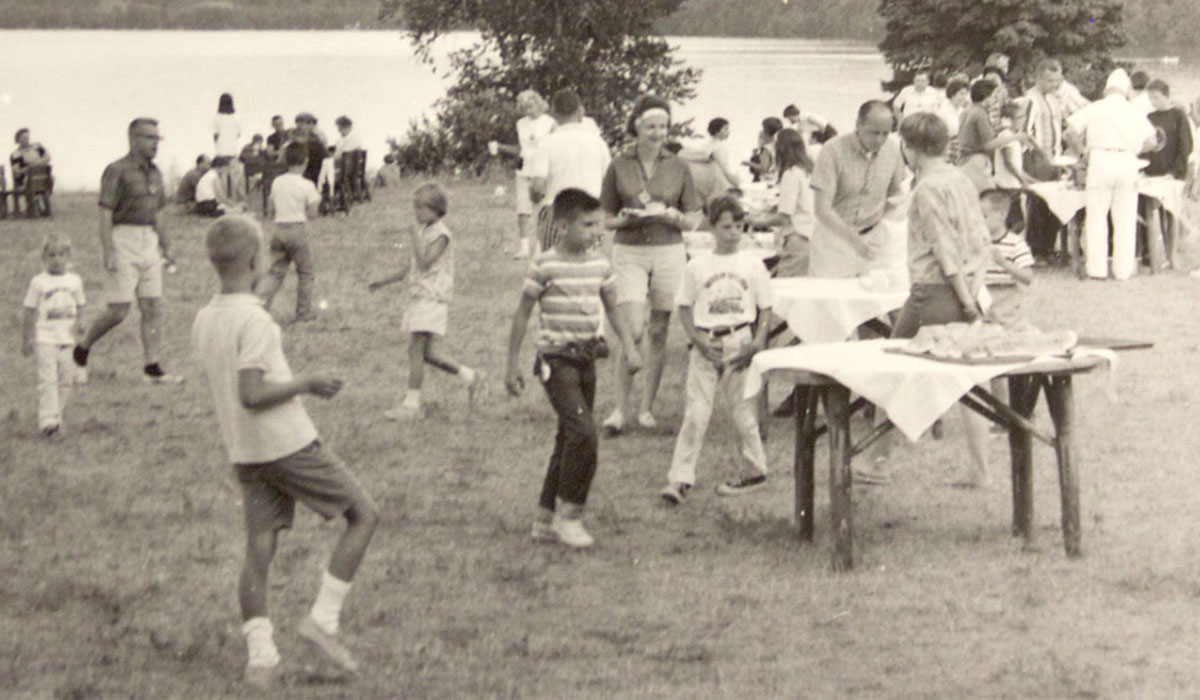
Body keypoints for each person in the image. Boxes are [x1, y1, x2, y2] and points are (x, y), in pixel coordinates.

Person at [191, 215, 379, 688]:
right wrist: (307, 383)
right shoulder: (256, 320)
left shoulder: (205, 317)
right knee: (364, 515)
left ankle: (261, 657)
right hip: (286, 443)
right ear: (254, 261)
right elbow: (252, 393)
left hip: (245, 451)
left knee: (260, 546)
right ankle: (324, 619)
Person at [503, 188, 641, 548]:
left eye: (600, 224)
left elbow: (613, 308)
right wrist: (512, 364)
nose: (598, 231)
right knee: (584, 434)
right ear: (563, 226)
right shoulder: (545, 264)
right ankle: (570, 515)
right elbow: (522, 313)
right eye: (589, 224)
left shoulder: (599, 264)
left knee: (567, 438)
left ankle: (544, 520)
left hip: (586, 360)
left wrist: (628, 344)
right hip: (555, 361)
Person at [866, 112, 993, 488]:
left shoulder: (926, 189)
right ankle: (980, 469)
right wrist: (973, 293)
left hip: (933, 291)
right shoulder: (962, 180)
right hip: (967, 286)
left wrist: (965, 301)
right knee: (970, 381)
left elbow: (943, 249)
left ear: (912, 149)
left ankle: (878, 461)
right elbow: (981, 241)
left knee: (889, 373)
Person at [598, 94, 703, 435]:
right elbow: (605, 217)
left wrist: (675, 216)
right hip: (630, 250)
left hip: (669, 250)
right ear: (636, 127)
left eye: (663, 127)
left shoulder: (678, 165)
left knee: (658, 330)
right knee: (633, 330)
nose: (658, 133)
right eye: (651, 126)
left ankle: (646, 409)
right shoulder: (619, 164)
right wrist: (623, 219)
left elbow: (695, 217)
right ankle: (618, 409)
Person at [660, 196, 774, 504]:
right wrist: (696, 339)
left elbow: (766, 308)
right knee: (697, 413)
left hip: (740, 342)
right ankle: (680, 479)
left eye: (739, 226)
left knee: (742, 412)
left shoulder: (753, 264)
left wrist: (759, 341)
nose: (734, 233)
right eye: (726, 227)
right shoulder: (698, 265)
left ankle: (755, 470)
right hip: (707, 343)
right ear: (712, 227)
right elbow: (683, 307)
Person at [73, 118, 183, 385]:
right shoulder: (116, 170)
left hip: (149, 241)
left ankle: (152, 367)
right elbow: (105, 212)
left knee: (152, 305)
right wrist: (108, 249)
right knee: (119, 309)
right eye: (149, 138)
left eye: (157, 139)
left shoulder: (156, 173)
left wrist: (166, 247)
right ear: (133, 139)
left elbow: (159, 214)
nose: (155, 144)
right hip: (124, 239)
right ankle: (81, 349)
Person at [367, 183, 488, 420]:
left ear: (436, 208)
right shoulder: (425, 231)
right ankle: (472, 377)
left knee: (415, 350)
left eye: (421, 207)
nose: (416, 212)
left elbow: (424, 262)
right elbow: (412, 267)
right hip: (419, 295)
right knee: (428, 354)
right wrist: (384, 281)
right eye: (415, 207)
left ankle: (411, 406)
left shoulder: (441, 235)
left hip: (431, 297)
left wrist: (413, 236)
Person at [1064, 69, 1157, 280]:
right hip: (1127, 160)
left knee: (1097, 215)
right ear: (1126, 91)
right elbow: (1152, 141)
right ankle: (1123, 270)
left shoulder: (1095, 107)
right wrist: (1133, 148)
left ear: (1107, 89)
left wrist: (1082, 152)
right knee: (1125, 217)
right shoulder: (1134, 110)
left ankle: (1097, 269)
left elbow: (1069, 131)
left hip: (1099, 158)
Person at [809, 100, 908, 279]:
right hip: (833, 243)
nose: (879, 140)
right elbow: (822, 209)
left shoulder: (892, 150)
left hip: (872, 240)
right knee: (831, 302)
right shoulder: (832, 151)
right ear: (858, 125)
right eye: (873, 133)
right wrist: (854, 241)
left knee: (871, 302)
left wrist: (888, 224)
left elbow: (895, 195)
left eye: (885, 133)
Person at [527, 88, 611, 252]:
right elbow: (609, 180)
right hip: (590, 212)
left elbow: (537, 186)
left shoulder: (547, 143)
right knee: (589, 265)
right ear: (581, 111)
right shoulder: (598, 142)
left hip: (557, 211)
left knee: (554, 265)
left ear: (554, 114)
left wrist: (534, 197)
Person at [1024, 59, 1090, 263]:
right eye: (1050, 81)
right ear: (1039, 78)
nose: (1054, 85)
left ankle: (1053, 247)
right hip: (1037, 157)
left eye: (1057, 81)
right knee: (1039, 202)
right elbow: (1025, 133)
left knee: (1057, 201)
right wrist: (1041, 153)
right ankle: (1038, 249)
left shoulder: (1054, 100)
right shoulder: (1030, 100)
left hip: (1055, 157)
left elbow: (1060, 126)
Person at [22, 233, 86, 438]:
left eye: (61, 255)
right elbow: (29, 310)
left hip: (67, 339)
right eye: (51, 255)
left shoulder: (74, 281)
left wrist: (81, 324)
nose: (57, 259)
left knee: (66, 379)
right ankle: (48, 423)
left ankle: (57, 415)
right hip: (45, 338)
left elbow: (80, 305)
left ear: (68, 257)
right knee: (48, 379)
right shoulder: (39, 282)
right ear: (44, 258)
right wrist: (27, 338)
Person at [256, 142, 321, 320]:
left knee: (275, 273)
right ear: (305, 161)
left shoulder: (277, 182)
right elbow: (313, 213)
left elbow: (270, 209)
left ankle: (259, 308)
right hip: (298, 228)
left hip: (279, 230)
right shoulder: (307, 185)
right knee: (306, 273)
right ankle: (303, 313)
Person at [490, 90, 555, 259]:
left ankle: (541, 248)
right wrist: (500, 147)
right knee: (523, 209)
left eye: (531, 105)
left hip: (543, 170)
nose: (528, 109)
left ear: (539, 103)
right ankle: (524, 248)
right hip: (524, 169)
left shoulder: (550, 122)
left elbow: (557, 147)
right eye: (524, 107)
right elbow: (521, 148)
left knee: (543, 209)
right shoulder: (521, 124)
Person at [1140, 79, 1193, 270]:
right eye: (1150, 98)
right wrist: (1143, 169)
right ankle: (1154, 255)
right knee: (1154, 213)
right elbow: (1144, 146)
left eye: (1156, 97)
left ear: (1166, 95)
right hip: (1152, 173)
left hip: (1171, 173)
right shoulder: (1149, 117)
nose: (1153, 101)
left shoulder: (1178, 116)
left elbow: (1185, 146)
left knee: (1171, 213)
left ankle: (1173, 257)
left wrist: (1175, 172)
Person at [752, 128, 815, 277]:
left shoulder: (790, 174)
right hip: (812, 238)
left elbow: (784, 217)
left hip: (798, 240)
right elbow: (802, 203)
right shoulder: (809, 171)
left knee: (781, 289)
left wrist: (755, 222)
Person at [957, 79, 1028, 193]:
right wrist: (1017, 137)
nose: (995, 100)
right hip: (976, 162)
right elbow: (988, 145)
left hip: (964, 161)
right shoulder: (980, 114)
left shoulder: (968, 110)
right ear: (985, 97)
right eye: (994, 97)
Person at [993, 101, 1037, 229]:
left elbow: (1017, 165)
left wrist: (1031, 179)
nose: (1023, 120)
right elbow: (1009, 163)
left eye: (1024, 116)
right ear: (1008, 120)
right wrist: (1022, 180)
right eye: (1019, 118)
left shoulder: (1014, 137)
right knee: (1017, 223)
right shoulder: (1006, 136)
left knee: (1015, 222)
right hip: (1006, 186)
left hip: (1013, 185)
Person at [679, 117, 741, 206]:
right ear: (717, 131)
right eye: (725, 129)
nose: (728, 131)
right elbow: (725, 169)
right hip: (718, 185)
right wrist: (737, 183)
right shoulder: (719, 147)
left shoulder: (706, 146)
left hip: (703, 185)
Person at [213, 93, 244, 202]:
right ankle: (236, 202)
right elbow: (239, 134)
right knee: (235, 181)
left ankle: (224, 202)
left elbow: (215, 135)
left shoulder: (217, 118)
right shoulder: (236, 118)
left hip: (221, 152)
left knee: (223, 182)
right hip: (233, 151)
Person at [938, 79, 970, 163]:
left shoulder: (963, 110)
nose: (964, 97)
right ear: (952, 94)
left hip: (963, 150)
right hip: (947, 152)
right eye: (961, 94)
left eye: (965, 94)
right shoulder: (942, 112)